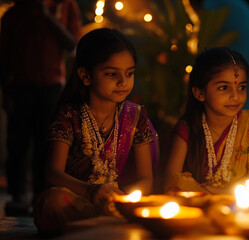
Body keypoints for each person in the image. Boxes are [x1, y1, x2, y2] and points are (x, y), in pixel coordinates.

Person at [33, 28, 157, 234]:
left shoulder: (136, 116)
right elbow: (53, 174)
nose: (123, 82)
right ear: (85, 75)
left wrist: (122, 200)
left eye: (130, 73)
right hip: (78, 200)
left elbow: (146, 179)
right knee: (53, 202)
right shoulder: (69, 116)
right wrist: (92, 191)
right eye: (111, 74)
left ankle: (101, 227)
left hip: (117, 202)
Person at [0, 0, 81, 216]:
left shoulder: (66, 6)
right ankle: (17, 196)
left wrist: (47, 16)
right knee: (17, 144)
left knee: (47, 145)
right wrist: (6, 95)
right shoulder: (14, 14)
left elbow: (73, 43)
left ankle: (40, 196)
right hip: (20, 87)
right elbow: (4, 59)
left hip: (52, 87)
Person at [164, 47, 249, 194]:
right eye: (224, 88)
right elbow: (171, 185)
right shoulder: (187, 131)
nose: (235, 96)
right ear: (200, 93)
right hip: (197, 210)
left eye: (241, 87)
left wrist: (213, 192)